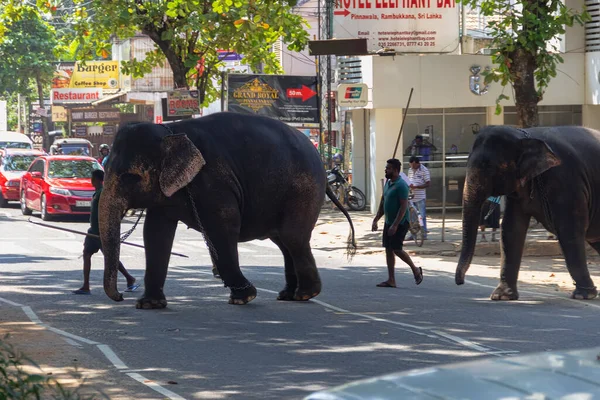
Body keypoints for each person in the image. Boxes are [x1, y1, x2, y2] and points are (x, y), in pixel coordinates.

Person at [73, 169, 139, 295]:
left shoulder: (102, 193)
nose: (91, 181)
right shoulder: (97, 193)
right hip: (93, 231)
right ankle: (86, 285)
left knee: (111, 259)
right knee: (87, 254)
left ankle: (129, 278)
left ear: (97, 179)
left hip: (101, 232)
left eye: (92, 178)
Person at [372, 158, 424, 288]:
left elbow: (403, 207)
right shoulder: (388, 183)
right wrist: (376, 219)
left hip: (400, 222)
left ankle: (415, 270)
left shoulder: (401, 185)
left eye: (388, 168)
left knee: (397, 249)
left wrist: (395, 225)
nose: (386, 170)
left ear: (395, 170)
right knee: (388, 250)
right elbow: (383, 202)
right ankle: (391, 279)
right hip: (388, 221)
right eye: (386, 168)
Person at [407, 156, 431, 239]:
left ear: (418, 163)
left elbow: (428, 184)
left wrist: (417, 186)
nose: (412, 167)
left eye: (413, 166)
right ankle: (413, 234)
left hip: (420, 197)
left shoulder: (424, 170)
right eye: (411, 165)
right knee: (412, 217)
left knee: (422, 216)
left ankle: (423, 234)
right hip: (411, 197)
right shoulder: (410, 170)